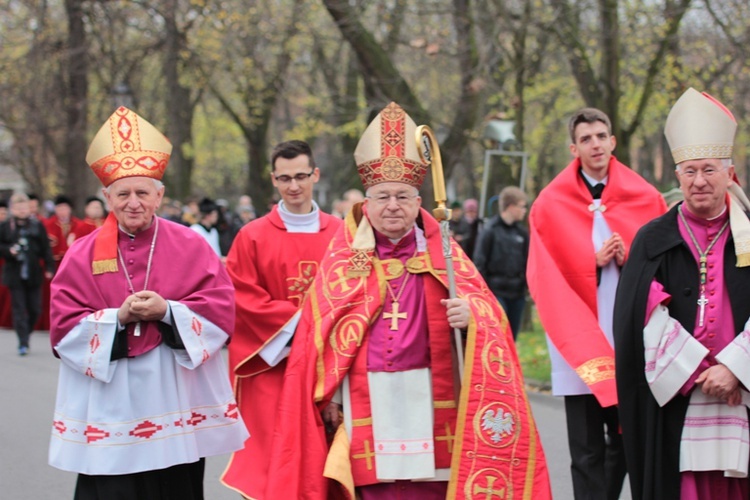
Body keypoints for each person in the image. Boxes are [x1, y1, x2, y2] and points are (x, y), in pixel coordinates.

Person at [264, 102, 551, 499]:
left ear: (419, 203)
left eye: (403, 195)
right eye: (382, 196)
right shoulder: (344, 261)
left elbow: (491, 316)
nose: (393, 205)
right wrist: (327, 394)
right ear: (366, 204)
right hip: (365, 398)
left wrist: (472, 318)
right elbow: (320, 336)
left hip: (434, 396)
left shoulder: (447, 258)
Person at [48, 106, 248, 499]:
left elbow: (220, 310)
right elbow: (63, 326)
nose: (133, 202)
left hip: (172, 390)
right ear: (107, 197)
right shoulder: (82, 253)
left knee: (173, 483)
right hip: (110, 395)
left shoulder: (191, 244)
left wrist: (169, 312)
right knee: (112, 483)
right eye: (123, 193)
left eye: (143, 192)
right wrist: (116, 318)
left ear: (160, 195)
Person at [614, 88, 750, 499]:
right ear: (677, 177)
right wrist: (693, 371)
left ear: (730, 174)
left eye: (709, 170)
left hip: (741, 392)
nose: (699, 181)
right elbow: (639, 313)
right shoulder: (653, 239)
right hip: (677, 394)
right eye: (689, 172)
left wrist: (736, 369)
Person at [527, 107, 667, 500]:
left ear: (613, 141)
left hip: (629, 337)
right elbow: (542, 272)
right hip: (578, 337)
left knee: (628, 438)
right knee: (585, 447)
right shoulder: (550, 203)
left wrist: (630, 260)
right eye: (586, 139)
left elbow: (666, 267)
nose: (595, 144)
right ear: (574, 147)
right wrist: (591, 261)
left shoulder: (645, 196)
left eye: (601, 136)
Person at [221, 140, 342, 499]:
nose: (294, 186)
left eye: (301, 176)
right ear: (274, 180)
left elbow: (355, 295)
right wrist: (304, 327)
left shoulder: (342, 234)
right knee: (272, 458)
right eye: (285, 178)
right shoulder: (252, 235)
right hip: (272, 365)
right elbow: (241, 297)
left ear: (315, 175)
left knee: (327, 458)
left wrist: (320, 337)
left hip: (329, 365)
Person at [0, 193, 55, 355]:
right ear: (12, 209)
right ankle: (23, 342)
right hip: (14, 274)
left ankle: (27, 332)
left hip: (33, 273)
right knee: (19, 308)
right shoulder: (5, 227)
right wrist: (8, 251)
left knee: (35, 309)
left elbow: (46, 248)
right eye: (18, 208)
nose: (21, 211)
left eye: (24, 208)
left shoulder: (37, 225)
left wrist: (50, 268)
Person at [473, 185, 529, 339]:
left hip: (517, 293)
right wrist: (485, 291)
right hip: (496, 292)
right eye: (522, 207)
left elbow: (528, 261)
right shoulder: (490, 230)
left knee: (512, 337)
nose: (524, 211)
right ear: (511, 207)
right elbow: (480, 262)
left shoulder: (522, 233)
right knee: (499, 335)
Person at [44, 195, 90, 268]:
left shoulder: (79, 225)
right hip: (55, 263)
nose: (62, 211)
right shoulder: (48, 225)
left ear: (70, 209)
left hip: (74, 262)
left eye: (64, 208)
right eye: (60, 208)